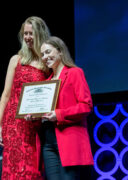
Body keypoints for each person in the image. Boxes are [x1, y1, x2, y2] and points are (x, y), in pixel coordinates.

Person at [0, 16, 51, 180]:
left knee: (31, 168)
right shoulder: (16, 59)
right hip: (13, 124)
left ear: (40, 34)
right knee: (13, 168)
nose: (27, 37)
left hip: (34, 124)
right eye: (25, 33)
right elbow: (6, 94)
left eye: (30, 33)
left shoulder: (46, 62)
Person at [39, 36, 94, 180]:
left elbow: (86, 106)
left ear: (60, 51)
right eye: (42, 54)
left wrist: (59, 114)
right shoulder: (46, 82)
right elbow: (44, 111)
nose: (45, 57)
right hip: (49, 142)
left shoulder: (75, 73)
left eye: (48, 52)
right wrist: (33, 114)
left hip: (69, 139)